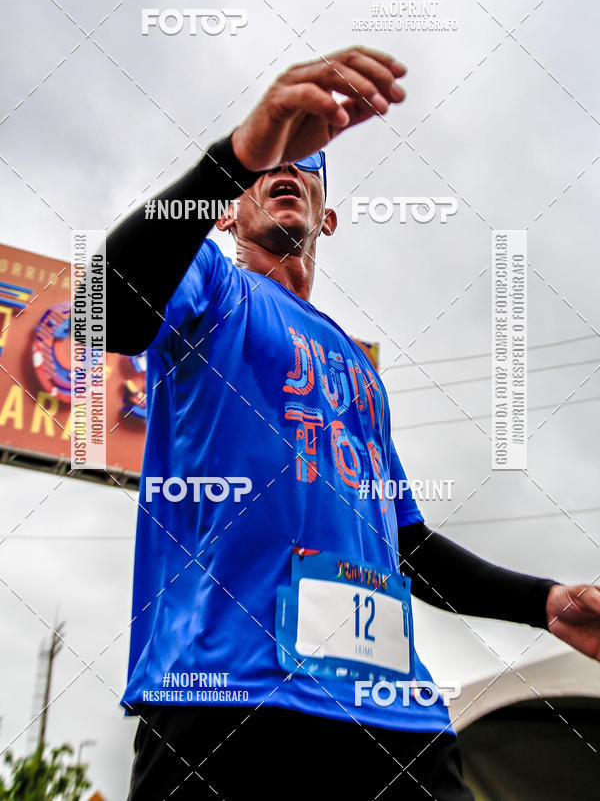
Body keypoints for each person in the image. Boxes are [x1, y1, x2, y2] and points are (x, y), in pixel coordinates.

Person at [105, 46, 600, 800]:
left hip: (390, 710)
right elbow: (106, 308)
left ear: (327, 216)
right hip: (227, 692)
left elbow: (408, 546)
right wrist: (237, 152)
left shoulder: (359, 369)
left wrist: (542, 601)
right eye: (269, 166)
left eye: (307, 166)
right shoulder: (209, 285)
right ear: (231, 208)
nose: (285, 171)